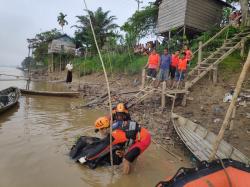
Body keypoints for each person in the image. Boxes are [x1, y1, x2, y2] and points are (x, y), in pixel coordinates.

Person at [111, 109, 151, 174]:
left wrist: (125, 154)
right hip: (143, 135)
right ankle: (132, 164)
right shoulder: (126, 123)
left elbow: (129, 141)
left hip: (143, 140)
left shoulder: (122, 129)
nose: (119, 117)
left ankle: (125, 177)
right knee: (129, 154)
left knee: (126, 161)